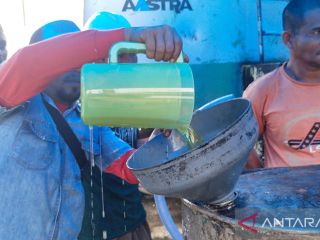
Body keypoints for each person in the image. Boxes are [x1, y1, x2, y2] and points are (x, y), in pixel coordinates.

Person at [0, 19, 184, 239]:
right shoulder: (11, 102)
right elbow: (28, 62)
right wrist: (129, 36)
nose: (74, 67)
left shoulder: (89, 122)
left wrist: (162, 144)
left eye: (80, 60)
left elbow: (129, 167)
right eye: (66, 57)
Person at [244, 0, 320, 169]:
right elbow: (239, 149)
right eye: (317, 32)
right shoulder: (262, 91)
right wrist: (263, 179)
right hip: (283, 195)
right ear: (288, 39)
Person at [78, 12, 151, 240]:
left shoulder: (136, 104)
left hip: (134, 222)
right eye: (119, 54)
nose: (128, 62)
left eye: (131, 54)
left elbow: (141, 154)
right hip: (93, 232)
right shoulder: (79, 107)